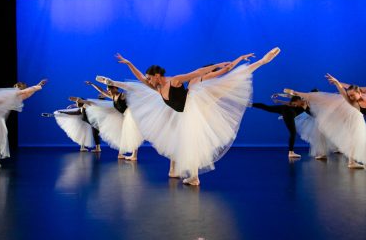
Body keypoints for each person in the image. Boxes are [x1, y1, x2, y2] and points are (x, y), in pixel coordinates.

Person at [96, 47, 280, 186]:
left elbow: (198, 73)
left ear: (158, 75)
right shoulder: (156, 87)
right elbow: (139, 79)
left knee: (229, 82)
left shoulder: (174, 81)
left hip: (194, 105)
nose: (148, 81)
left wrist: (224, 64)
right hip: (182, 113)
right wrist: (129, 64)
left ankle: (262, 61)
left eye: (150, 78)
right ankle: (189, 175)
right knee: (182, 142)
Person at [81, 81, 143, 160]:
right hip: (125, 116)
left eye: (109, 90)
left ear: (115, 88)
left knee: (133, 134)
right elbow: (101, 91)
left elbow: (133, 95)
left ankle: (134, 156)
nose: (108, 91)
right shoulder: (113, 96)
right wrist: (92, 84)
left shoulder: (122, 95)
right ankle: (121, 154)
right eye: (108, 90)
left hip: (131, 116)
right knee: (124, 134)